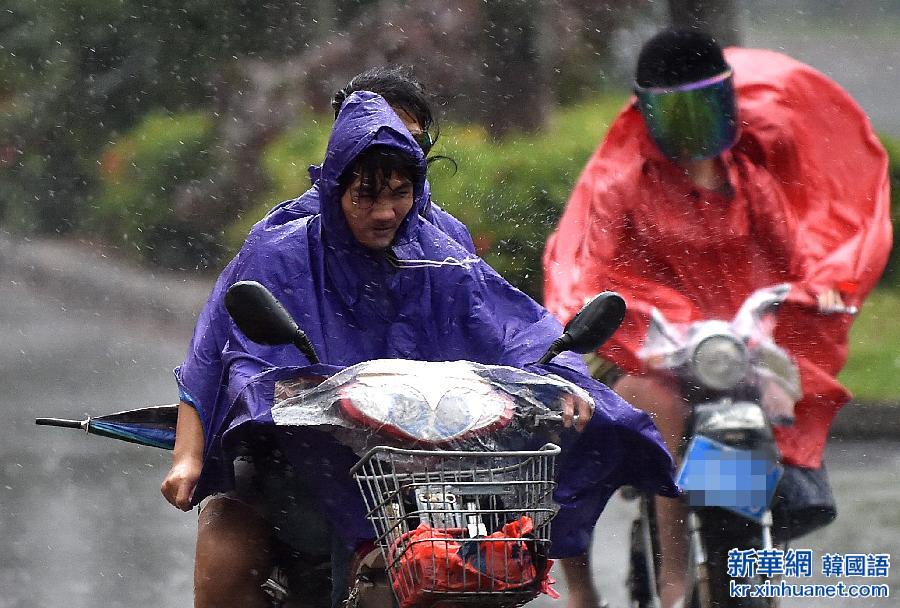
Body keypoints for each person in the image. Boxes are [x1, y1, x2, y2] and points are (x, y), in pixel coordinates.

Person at [162, 89, 678, 607]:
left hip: (428, 467)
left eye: (399, 192)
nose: (385, 212)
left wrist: (564, 378)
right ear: (336, 180)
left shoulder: (441, 254)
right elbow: (229, 354)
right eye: (366, 195)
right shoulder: (280, 250)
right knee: (226, 551)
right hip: (304, 460)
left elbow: (513, 326)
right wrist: (201, 446)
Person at [543, 29, 892, 608]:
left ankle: (757, 552)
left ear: (729, 103)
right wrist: (627, 319)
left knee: (773, 405)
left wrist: (824, 285)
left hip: (725, 350)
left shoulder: (751, 182)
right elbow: (587, 267)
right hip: (638, 345)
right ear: (646, 112)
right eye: (674, 111)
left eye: (704, 106)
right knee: (644, 413)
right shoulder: (621, 182)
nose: (691, 128)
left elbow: (797, 262)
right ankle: (664, 582)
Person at [263, 65, 477, 253]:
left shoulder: (450, 237)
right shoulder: (283, 242)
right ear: (344, 143)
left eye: (414, 141)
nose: (399, 154)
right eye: (383, 140)